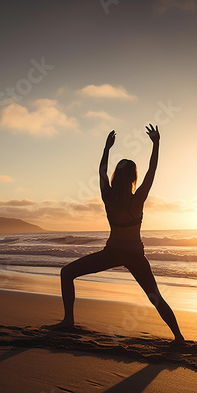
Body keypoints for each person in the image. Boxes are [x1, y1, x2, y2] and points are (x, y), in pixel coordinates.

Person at [50, 124, 185, 345]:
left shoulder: (108, 196)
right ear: (132, 177)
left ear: (117, 176)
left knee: (67, 273)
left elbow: (101, 171)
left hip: (113, 252)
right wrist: (156, 143)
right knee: (155, 297)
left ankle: (69, 320)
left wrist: (107, 147)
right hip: (131, 254)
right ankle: (178, 337)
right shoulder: (137, 198)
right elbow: (152, 172)